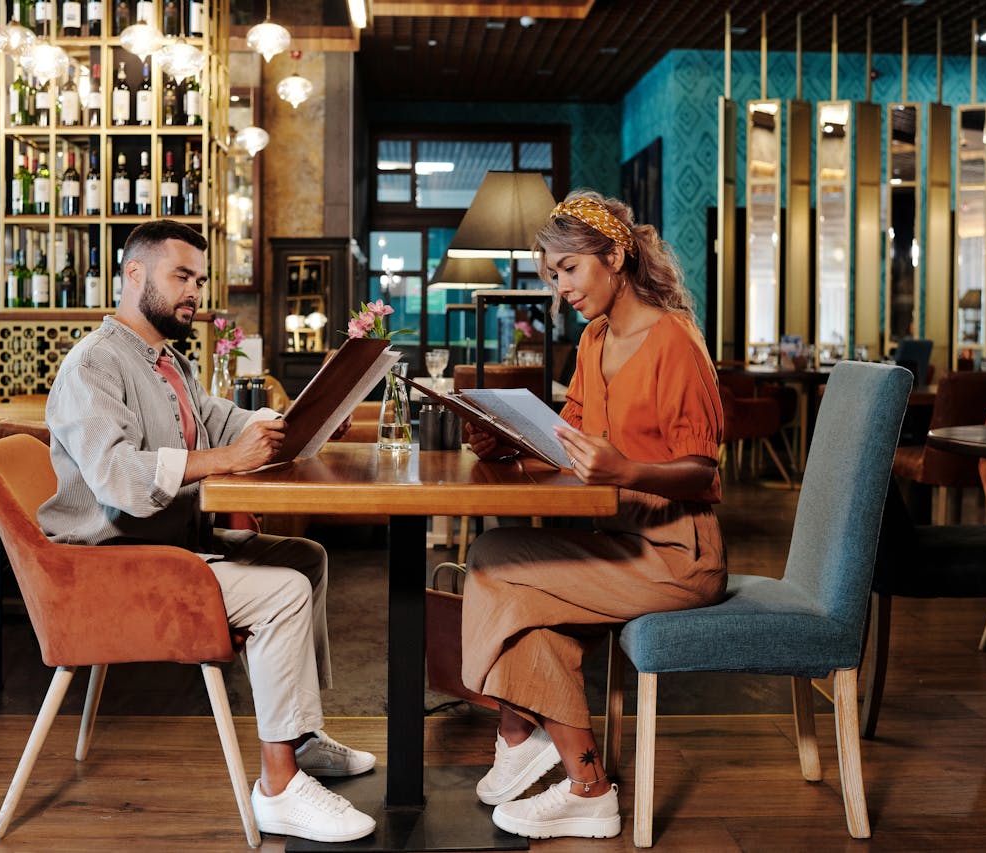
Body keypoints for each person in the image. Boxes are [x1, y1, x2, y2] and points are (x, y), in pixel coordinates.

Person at [38, 219, 376, 844]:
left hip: (164, 547)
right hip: (112, 567)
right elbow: (115, 477)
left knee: (305, 558)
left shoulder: (169, 362)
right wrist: (228, 460)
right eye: (181, 276)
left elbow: (227, 422)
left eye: (199, 278)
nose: (195, 291)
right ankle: (278, 787)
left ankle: (296, 736)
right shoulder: (94, 364)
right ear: (133, 275)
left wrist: (306, 419)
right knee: (283, 592)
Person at [460, 191, 727, 839]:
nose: (562, 289)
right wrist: (510, 442)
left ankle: (523, 734)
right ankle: (584, 782)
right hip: (620, 539)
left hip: (678, 555)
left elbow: (705, 472)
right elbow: (568, 441)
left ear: (615, 254)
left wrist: (625, 470)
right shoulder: (595, 339)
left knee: (502, 571)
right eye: (553, 275)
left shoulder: (672, 341)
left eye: (570, 269)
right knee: (504, 569)